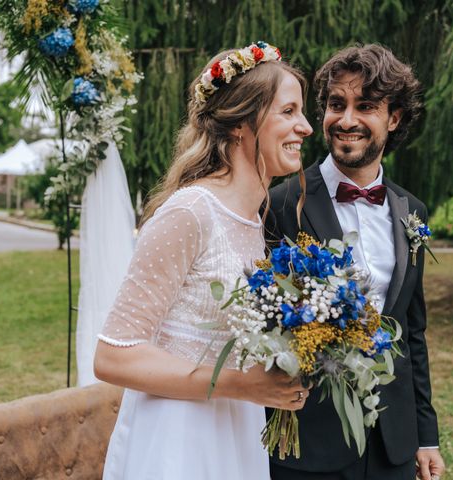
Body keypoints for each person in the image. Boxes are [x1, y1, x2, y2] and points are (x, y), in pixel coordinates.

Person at [94, 42, 313, 479]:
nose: (305, 127)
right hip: (178, 438)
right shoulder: (190, 212)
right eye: (288, 112)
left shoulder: (254, 217)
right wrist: (240, 384)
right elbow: (112, 357)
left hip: (235, 428)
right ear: (240, 124)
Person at [265, 44, 446, 480]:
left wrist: (426, 436)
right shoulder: (281, 203)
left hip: (394, 443)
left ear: (394, 118)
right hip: (310, 441)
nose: (346, 120)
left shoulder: (411, 211)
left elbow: (411, 332)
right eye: (335, 104)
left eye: (365, 106)